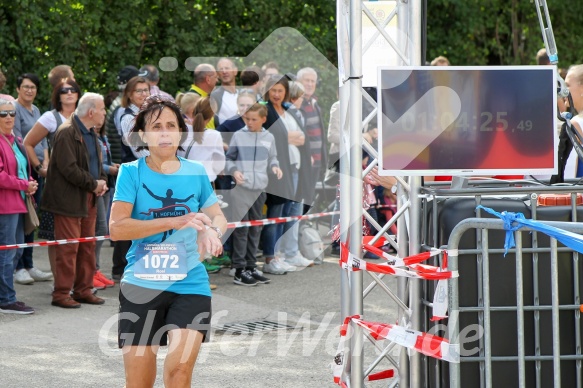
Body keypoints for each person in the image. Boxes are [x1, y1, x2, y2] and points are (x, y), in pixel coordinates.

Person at [109, 95, 226, 387]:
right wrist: (176, 221)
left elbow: (218, 216)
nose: (164, 132)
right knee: (139, 382)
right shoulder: (130, 173)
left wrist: (212, 231)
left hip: (190, 284)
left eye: (171, 125)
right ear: (142, 134)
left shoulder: (196, 172)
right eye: (156, 126)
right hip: (142, 284)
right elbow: (117, 229)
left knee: (179, 373)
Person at [42, 93, 108, 308]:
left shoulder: (91, 132)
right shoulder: (67, 132)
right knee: (68, 249)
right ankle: (61, 294)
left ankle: (83, 290)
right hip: (68, 201)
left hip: (87, 199)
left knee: (86, 248)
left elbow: (97, 164)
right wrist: (94, 184)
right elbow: (68, 168)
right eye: (103, 109)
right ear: (91, 112)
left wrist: (102, 181)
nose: (105, 113)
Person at [23, 79, 81, 279]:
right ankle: (60, 282)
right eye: (64, 90)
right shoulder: (50, 117)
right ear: (58, 95)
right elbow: (28, 142)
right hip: (57, 186)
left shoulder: (83, 115)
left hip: (82, 183)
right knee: (55, 235)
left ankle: (78, 280)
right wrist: (39, 168)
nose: (69, 93)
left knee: (81, 235)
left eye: (73, 90)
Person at [261, 75, 312, 275]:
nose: (276, 94)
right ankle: (270, 257)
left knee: (290, 212)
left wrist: (291, 138)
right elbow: (271, 136)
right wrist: (288, 138)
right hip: (277, 170)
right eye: (273, 90)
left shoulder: (288, 110)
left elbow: (301, 137)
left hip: (295, 167)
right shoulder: (265, 110)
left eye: (280, 91)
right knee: (276, 215)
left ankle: (285, 253)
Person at [225, 103, 281, 286]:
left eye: (253, 119)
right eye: (247, 118)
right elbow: (229, 159)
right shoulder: (239, 136)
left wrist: (275, 166)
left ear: (263, 119)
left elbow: (272, 157)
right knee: (241, 228)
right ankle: (239, 269)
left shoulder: (269, 137)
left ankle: (251, 266)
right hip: (242, 188)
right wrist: (234, 171)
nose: (249, 122)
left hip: (260, 189)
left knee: (256, 227)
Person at [12, 73, 53, 283]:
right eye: (26, 87)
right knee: (23, 218)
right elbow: (20, 141)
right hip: (25, 169)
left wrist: (45, 162)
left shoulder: (36, 110)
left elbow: (43, 140)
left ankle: (29, 263)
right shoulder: (14, 109)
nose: (29, 90)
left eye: (33, 87)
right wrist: (36, 166)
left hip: (39, 169)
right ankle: (18, 266)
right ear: (18, 89)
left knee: (32, 217)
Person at [0, 98, 37, 314]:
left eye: (12, 114)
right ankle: (6, 299)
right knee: (7, 253)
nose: (8, 118)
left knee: (16, 251)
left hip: (20, 202)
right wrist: (25, 184)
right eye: (3, 114)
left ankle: (6, 295)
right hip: (5, 205)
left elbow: (22, 168)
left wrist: (30, 183)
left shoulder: (16, 139)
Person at [296, 67, 328, 213]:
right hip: (303, 161)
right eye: (306, 80)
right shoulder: (296, 106)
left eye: (312, 81)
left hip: (316, 160)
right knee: (300, 197)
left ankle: (304, 227)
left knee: (309, 197)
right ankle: (299, 229)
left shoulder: (315, 104)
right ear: (298, 83)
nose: (309, 84)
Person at [211, 58, 238, 124]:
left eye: (227, 68)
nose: (224, 72)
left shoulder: (244, 94)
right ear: (217, 74)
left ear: (235, 71)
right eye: (221, 69)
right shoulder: (215, 96)